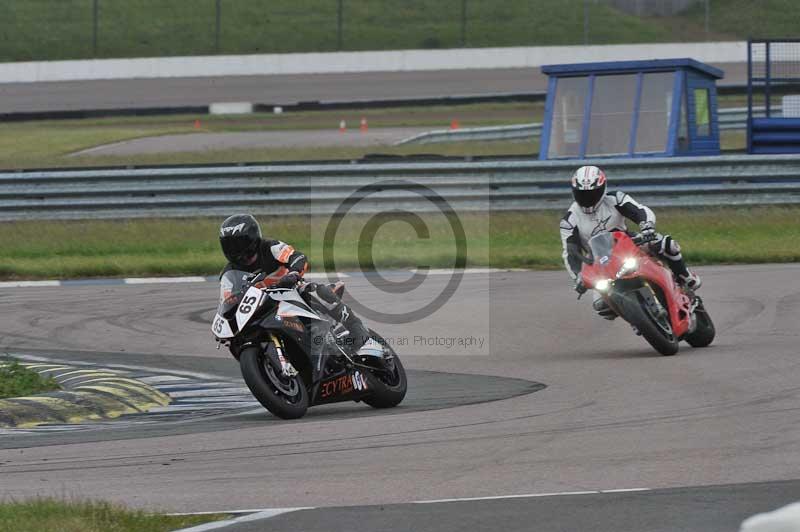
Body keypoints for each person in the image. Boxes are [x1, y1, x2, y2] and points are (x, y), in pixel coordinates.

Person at [218, 213, 380, 356]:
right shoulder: (228, 274)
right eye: (229, 245)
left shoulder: (269, 247)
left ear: (252, 239)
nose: (235, 250)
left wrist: (293, 274)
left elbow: (297, 257)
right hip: (263, 308)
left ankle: (355, 327)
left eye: (238, 244)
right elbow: (227, 301)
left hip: (290, 290)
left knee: (314, 291)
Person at [559, 166, 701, 320]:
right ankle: (637, 322)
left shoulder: (615, 199)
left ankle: (685, 277)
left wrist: (646, 226)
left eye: (592, 193)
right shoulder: (569, 221)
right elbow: (570, 253)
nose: (587, 198)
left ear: (602, 188)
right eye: (582, 194)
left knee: (666, 244)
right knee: (601, 306)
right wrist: (578, 276)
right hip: (600, 261)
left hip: (630, 243)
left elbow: (640, 211)